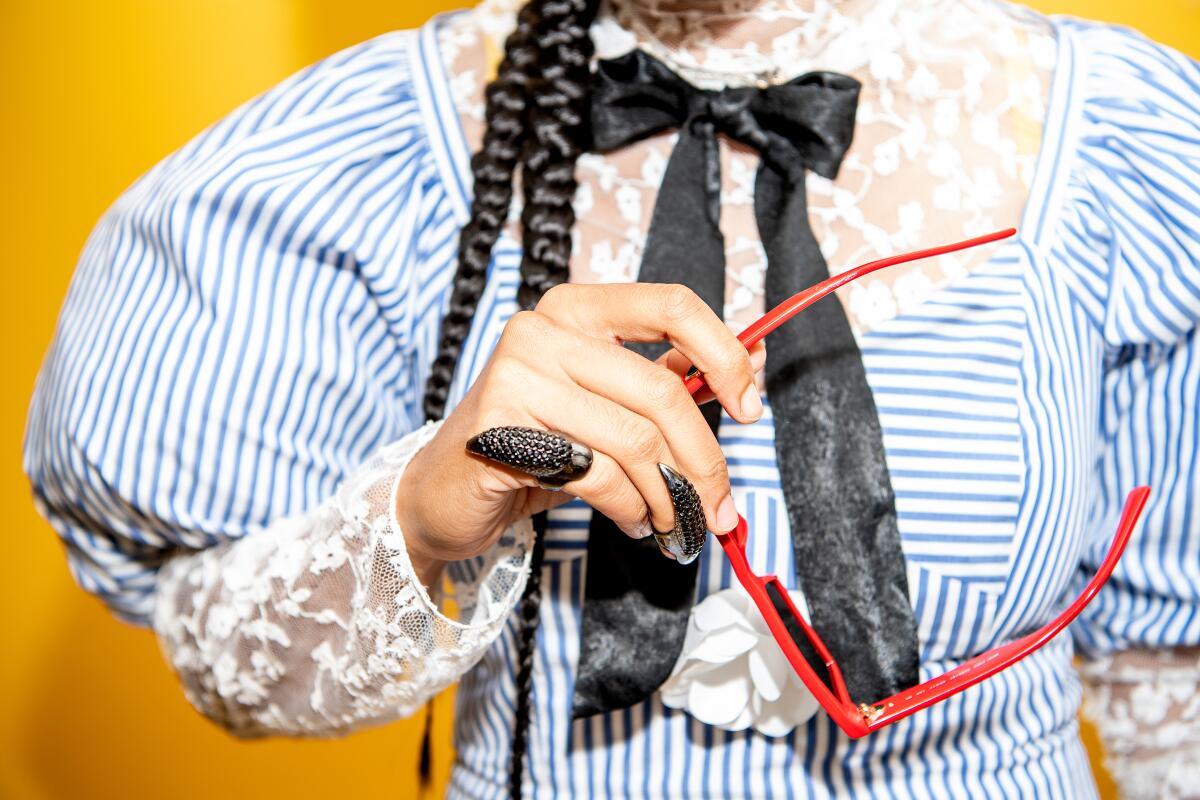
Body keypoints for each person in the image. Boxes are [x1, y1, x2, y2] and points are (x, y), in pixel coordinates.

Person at [23, 0, 1200, 797]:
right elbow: (229, 661)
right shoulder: (368, 152)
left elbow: (1171, 680)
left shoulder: (1114, 137)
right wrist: (428, 509)